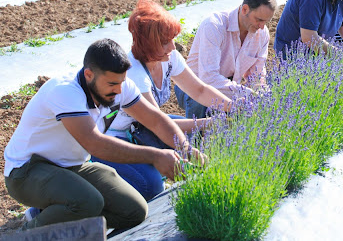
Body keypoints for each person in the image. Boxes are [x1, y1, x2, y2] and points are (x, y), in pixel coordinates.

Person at [4, 39, 202, 231]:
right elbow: (95, 144)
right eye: (111, 84)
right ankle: (28, 234)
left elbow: (156, 119)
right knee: (88, 201)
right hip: (27, 171)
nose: (118, 90)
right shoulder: (65, 91)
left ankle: (67, 222)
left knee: (134, 210)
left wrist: (185, 148)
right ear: (89, 75)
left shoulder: (119, 86)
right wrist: (156, 156)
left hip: (71, 166)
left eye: (121, 82)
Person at [93, 0, 233, 200]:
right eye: (165, 42)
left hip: (142, 130)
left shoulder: (169, 58)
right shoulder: (133, 73)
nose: (173, 47)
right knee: (150, 187)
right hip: (115, 139)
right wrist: (208, 123)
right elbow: (156, 124)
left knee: (194, 135)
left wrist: (235, 107)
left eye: (173, 40)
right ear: (147, 44)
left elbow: (199, 90)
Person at [176, 0, 277, 119]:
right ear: (245, 9)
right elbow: (208, 78)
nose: (262, 26)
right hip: (193, 86)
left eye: (266, 22)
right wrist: (247, 94)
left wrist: (262, 95)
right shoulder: (215, 26)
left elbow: (257, 76)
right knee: (201, 107)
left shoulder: (262, 35)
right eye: (259, 20)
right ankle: (193, 138)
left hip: (228, 86)